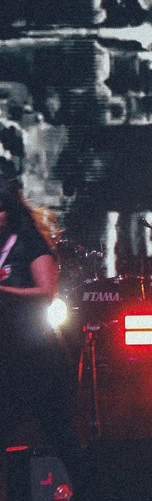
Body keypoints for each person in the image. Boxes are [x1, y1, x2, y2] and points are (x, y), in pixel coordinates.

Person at [0, 179, 83, 477]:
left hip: (40, 359)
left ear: (9, 213)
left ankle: (90, 496)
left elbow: (47, 293)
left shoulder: (30, 245)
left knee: (60, 433)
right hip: (9, 358)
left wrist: (4, 293)